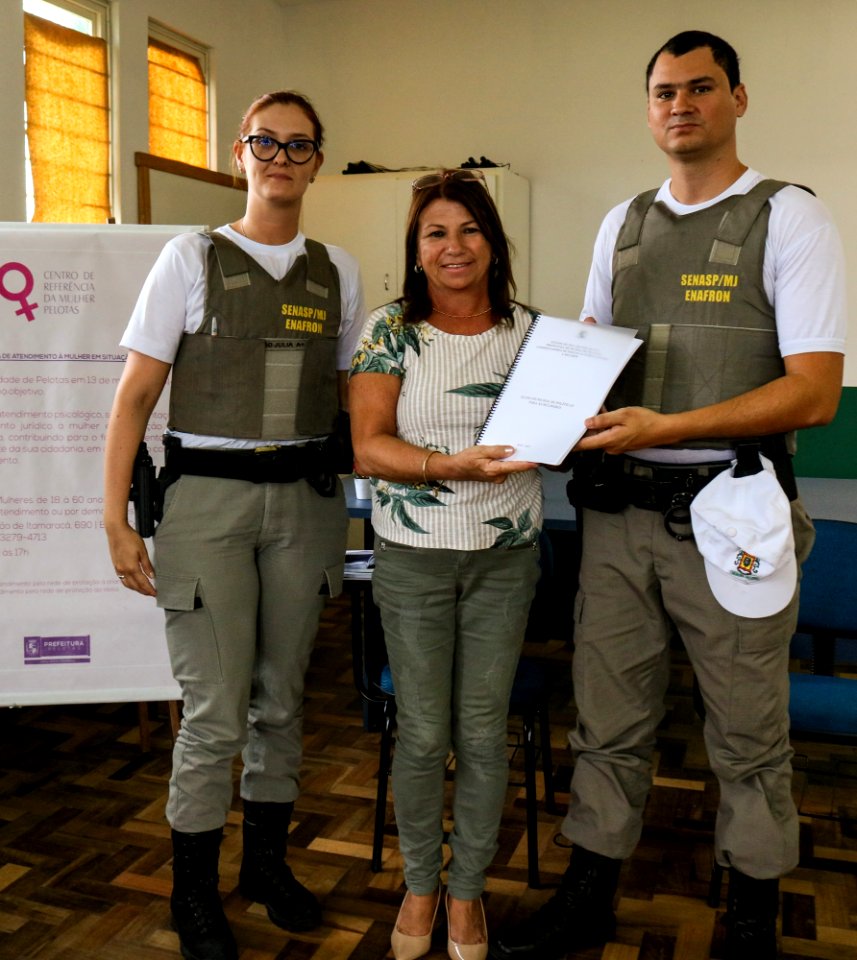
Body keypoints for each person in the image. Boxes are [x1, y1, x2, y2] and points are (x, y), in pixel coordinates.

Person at [490, 30, 846, 960]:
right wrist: (545, 412)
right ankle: (589, 891)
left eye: (698, 88)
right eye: (661, 92)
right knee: (606, 717)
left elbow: (809, 391)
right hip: (620, 515)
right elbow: (593, 364)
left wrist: (668, 426)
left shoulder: (790, 219)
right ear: (647, 109)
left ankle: (751, 913)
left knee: (746, 731)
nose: (678, 106)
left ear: (736, 98)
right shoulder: (624, 224)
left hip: (733, 512)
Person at [103, 91, 364, 960]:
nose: (280, 157)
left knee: (281, 702)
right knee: (215, 711)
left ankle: (263, 867)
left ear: (318, 160)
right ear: (239, 153)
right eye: (265, 142)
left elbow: (355, 400)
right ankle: (192, 892)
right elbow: (135, 396)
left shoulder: (339, 272)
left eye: (298, 145)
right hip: (207, 502)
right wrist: (114, 517)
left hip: (303, 504)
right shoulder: (191, 256)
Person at [349, 169, 543, 960]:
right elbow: (368, 446)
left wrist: (587, 381)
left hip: (505, 558)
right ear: (416, 249)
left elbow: (554, 436)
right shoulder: (390, 330)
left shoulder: (533, 333)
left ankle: (468, 900)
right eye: (436, 232)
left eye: (468, 229)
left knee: (484, 733)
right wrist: (445, 467)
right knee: (425, 735)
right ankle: (421, 885)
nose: (453, 245)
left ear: (492, 242)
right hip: (413, 560)